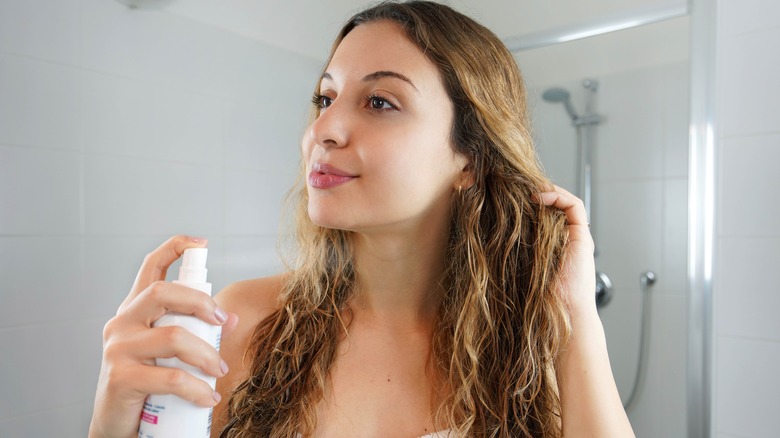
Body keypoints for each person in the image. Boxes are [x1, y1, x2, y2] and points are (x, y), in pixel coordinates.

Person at [89, 1, 634, 437]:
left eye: (379, 102)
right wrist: (112, 416)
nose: (324, 128)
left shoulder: (530, 352)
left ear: (470, 157)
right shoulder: (243, 326)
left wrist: (575, 316)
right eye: (324, 97)